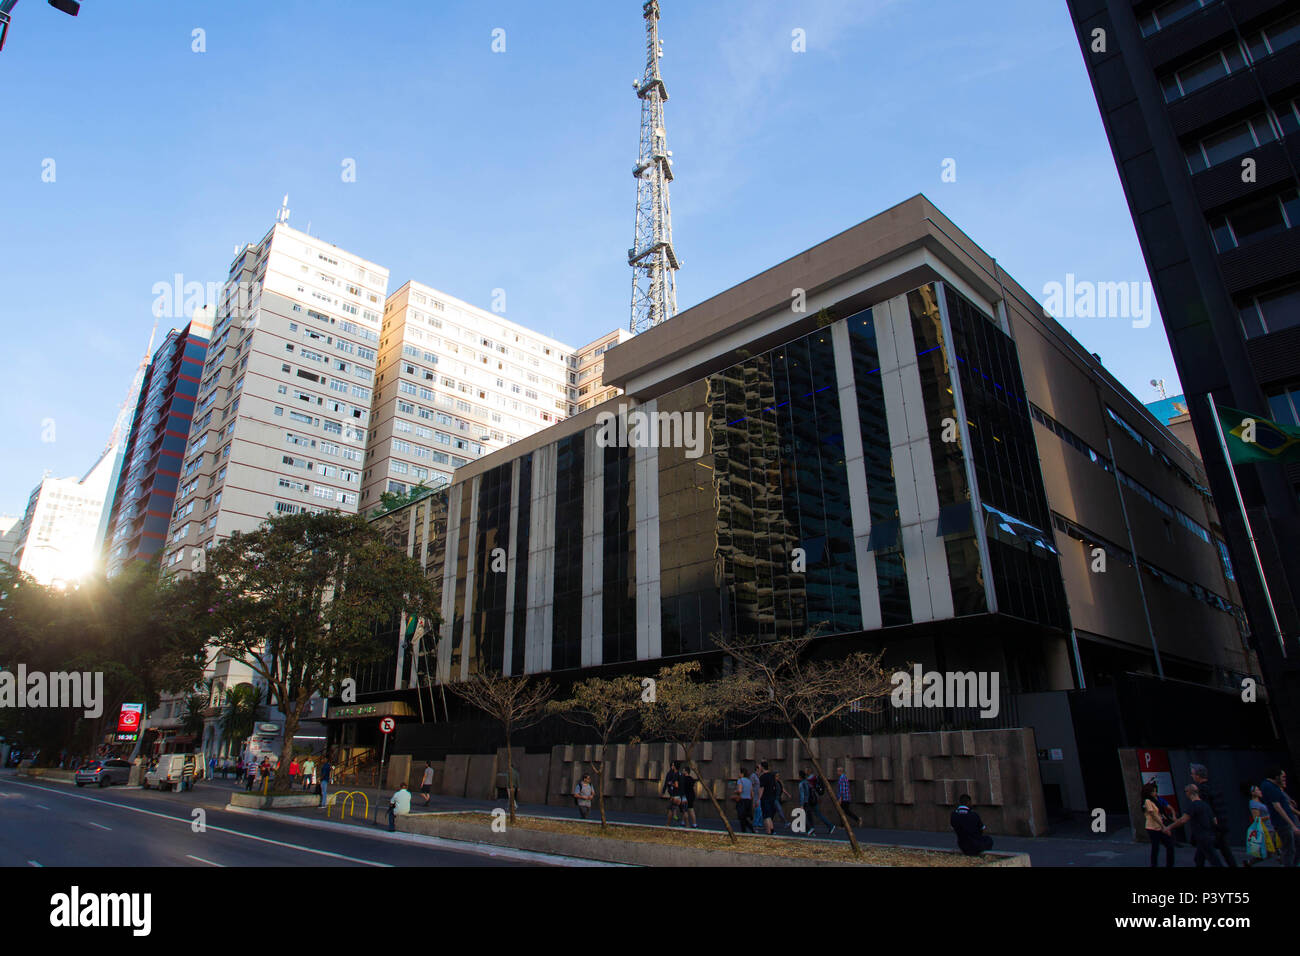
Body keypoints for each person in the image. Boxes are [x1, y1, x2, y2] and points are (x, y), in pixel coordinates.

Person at [1189, 764, 1236, 867]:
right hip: (1221, 824)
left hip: (1210, 829)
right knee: (1225, 853)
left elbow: (1203, 811)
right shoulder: (1214, 786)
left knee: (1204, 857)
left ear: (1197, 776)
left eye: (1192, 774)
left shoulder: (1202, 791)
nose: (1191, 776)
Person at [1168, 784, 1223, 867]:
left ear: (1189, 792)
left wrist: (1169, 827)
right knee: (1198, 859)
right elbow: (1215, 820)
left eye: (1185, 792)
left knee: (1214, 860)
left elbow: (1183, 820)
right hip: (1208, 836)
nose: (1185, 794)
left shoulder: (1193, 805)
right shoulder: (1205, 805)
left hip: (1203, 837)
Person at [1260, 768, 1300, 867]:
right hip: (1283, 823)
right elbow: (1277, 806)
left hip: (1287, 822)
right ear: (1276, 776)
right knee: (1290, 849)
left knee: (1295, 847)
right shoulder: (1269, 787)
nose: (1284, 779)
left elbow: (1284, 804)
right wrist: (1292, 825)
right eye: (1283, 777)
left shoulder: (1274, 786)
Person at [1141, 780, 1175, 867]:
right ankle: (1154, 864)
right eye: (1153, 791)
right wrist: (1163, 827)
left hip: (1159, 826)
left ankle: (1169, 864)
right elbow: (1153, 815)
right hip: (1152, 827)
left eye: (1155, 791)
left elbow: (1160, 812)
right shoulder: (1147, 801)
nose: (1155, 793)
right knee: (1155, 847)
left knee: (1169, 846)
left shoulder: (1155, 800)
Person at [799, 768, 835, 836]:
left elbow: (803, 794)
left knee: (810, 815)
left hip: (809, 801)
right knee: (815, 814)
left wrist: (802, 804)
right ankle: (828, 826)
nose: (805, 771)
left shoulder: (808, 780)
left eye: (806, 770)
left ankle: (812, 829)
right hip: (814, 799)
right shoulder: (812, 779)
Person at [758, 761, 780, 834]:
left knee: (766, 815)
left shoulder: (763, 777)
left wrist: (758, 799)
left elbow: (761, 788)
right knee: (769, 815)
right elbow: (774, 787)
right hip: (772, 797)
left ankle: (768, 831)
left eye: (760, 766)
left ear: (762, 767)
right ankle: (772, 829)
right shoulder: (772, 775)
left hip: (765, 797)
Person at [734, 766, 755, 833]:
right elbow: (752, 793)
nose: (738, 774)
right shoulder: (749, 781)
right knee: (745, 817)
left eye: (739, 773)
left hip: (742, 800)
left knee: (741, 817)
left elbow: (740, 790)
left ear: (742, 773)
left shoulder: (740, 781)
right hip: (748, 801)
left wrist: (736, 791)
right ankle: (749, 829)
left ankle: (746, 830)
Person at [662, 761, 683, 826]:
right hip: (680, 794)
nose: (672, 767)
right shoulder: (680, 774)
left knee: (671, 809)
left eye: (673, 765)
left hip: (675, 795)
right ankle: (685, 823)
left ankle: (668, 824)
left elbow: (676, 785)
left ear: (675, 767)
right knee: (683, 810)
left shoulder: (675, 774)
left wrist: (670, 783)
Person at [678, 764, 699, 829]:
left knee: (685, 810)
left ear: (686, 772)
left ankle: (686, 824)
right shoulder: (691, 779)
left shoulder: (683, 779)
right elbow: (694, 788)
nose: (682, 772)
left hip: (685, 796)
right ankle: (693, 823)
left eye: (683, 771)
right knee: (691, 809)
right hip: (691, 796)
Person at [749, 766, 763, 832]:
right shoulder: (753, 776)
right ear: (757, 769)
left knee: (760, 810)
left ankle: (759, 823)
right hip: (755, 795)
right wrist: (752, 795)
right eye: (760, 768)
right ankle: (755, 824)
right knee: (757, 809)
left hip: (760, 795)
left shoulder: (761, 775)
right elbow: (751, 785)